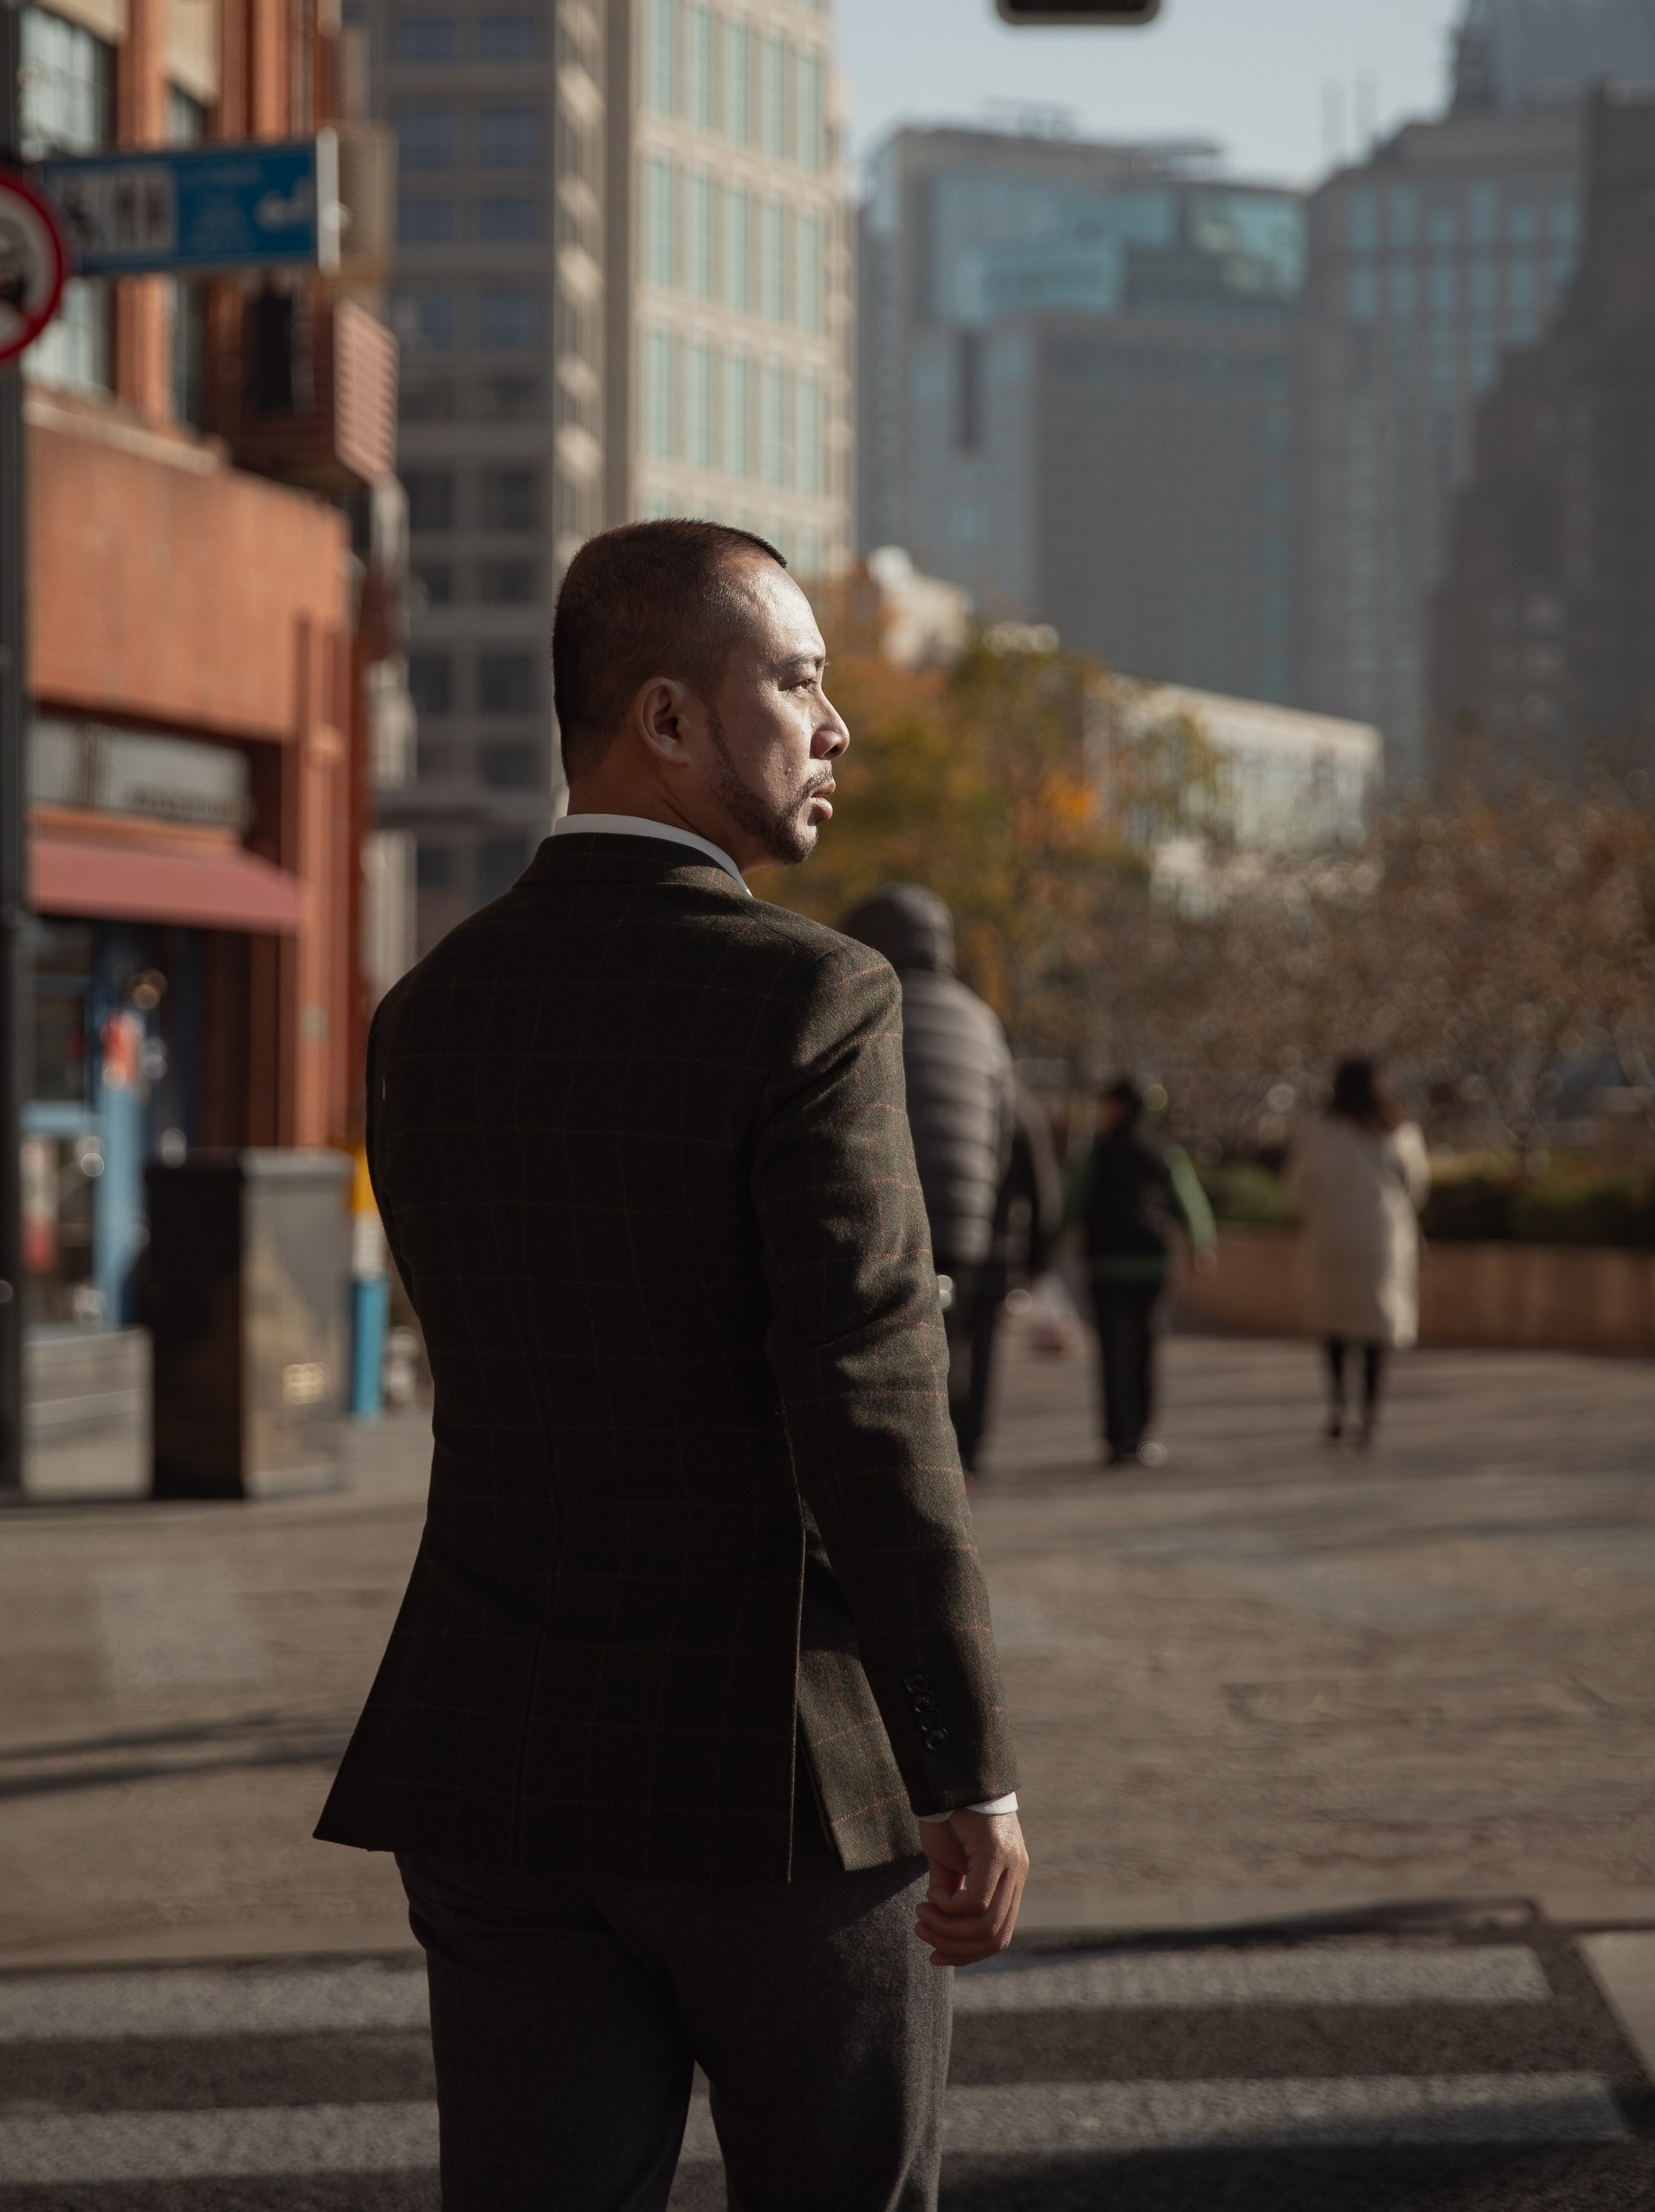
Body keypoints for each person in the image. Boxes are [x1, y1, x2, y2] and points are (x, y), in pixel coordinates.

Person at [318, 520, 1026, 2212]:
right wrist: (962, 1763)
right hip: (770, 1783)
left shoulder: (427, 1012)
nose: (833, 724)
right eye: (793, 679)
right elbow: (865, 1406)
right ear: (665, 717)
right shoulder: (808, 1000)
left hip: (494, 1768)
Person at [838, 887, 1059, 1476]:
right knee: (959, 1344)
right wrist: (1034, 1246)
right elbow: (1017, 1139)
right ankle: (964, 1453)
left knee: (879, 1354)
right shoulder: (981, 1021)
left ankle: (895, 1465)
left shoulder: (857, 1001)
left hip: (881, 1219)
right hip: (965, 1234)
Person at [1057, 1077, 1215, 1467]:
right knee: (1144, 1350)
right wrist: (1201, 1245)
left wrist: (1047, 1248)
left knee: (1115, 1353)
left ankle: (1119, 1438)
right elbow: (1190, 1202)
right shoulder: (1164, 1153)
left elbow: (1072, 1206)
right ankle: (1140, 1435)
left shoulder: (1098, 1153)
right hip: (1149, 1265)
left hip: (1109, 1265)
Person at [1287, 1056, 1430, 1447]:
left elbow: (1299, 1185)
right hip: (1381, 1241)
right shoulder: (1399, 1132)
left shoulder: (1319, 1131)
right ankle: (1369, 1414)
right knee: (1374, 1329)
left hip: (1331, 1240)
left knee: (1334, 1326)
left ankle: (1337, 1409)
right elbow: (1415, 1186)